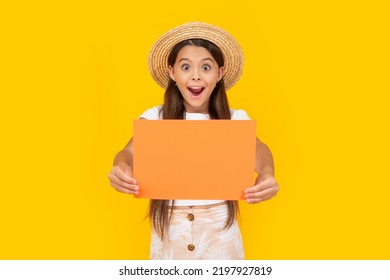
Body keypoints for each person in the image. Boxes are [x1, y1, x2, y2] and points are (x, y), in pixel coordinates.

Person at [108, 22, 280, 260]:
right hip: (169, 231)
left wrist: (267, 172)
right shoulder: (156, 118)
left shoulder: (233, 119)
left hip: (221, 232)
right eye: (186, 67)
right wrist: (121, 167)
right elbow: (128, 153)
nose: (196, 76)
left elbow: (258, 149)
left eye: (206, 67)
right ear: (172, 73)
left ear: (219, 73)